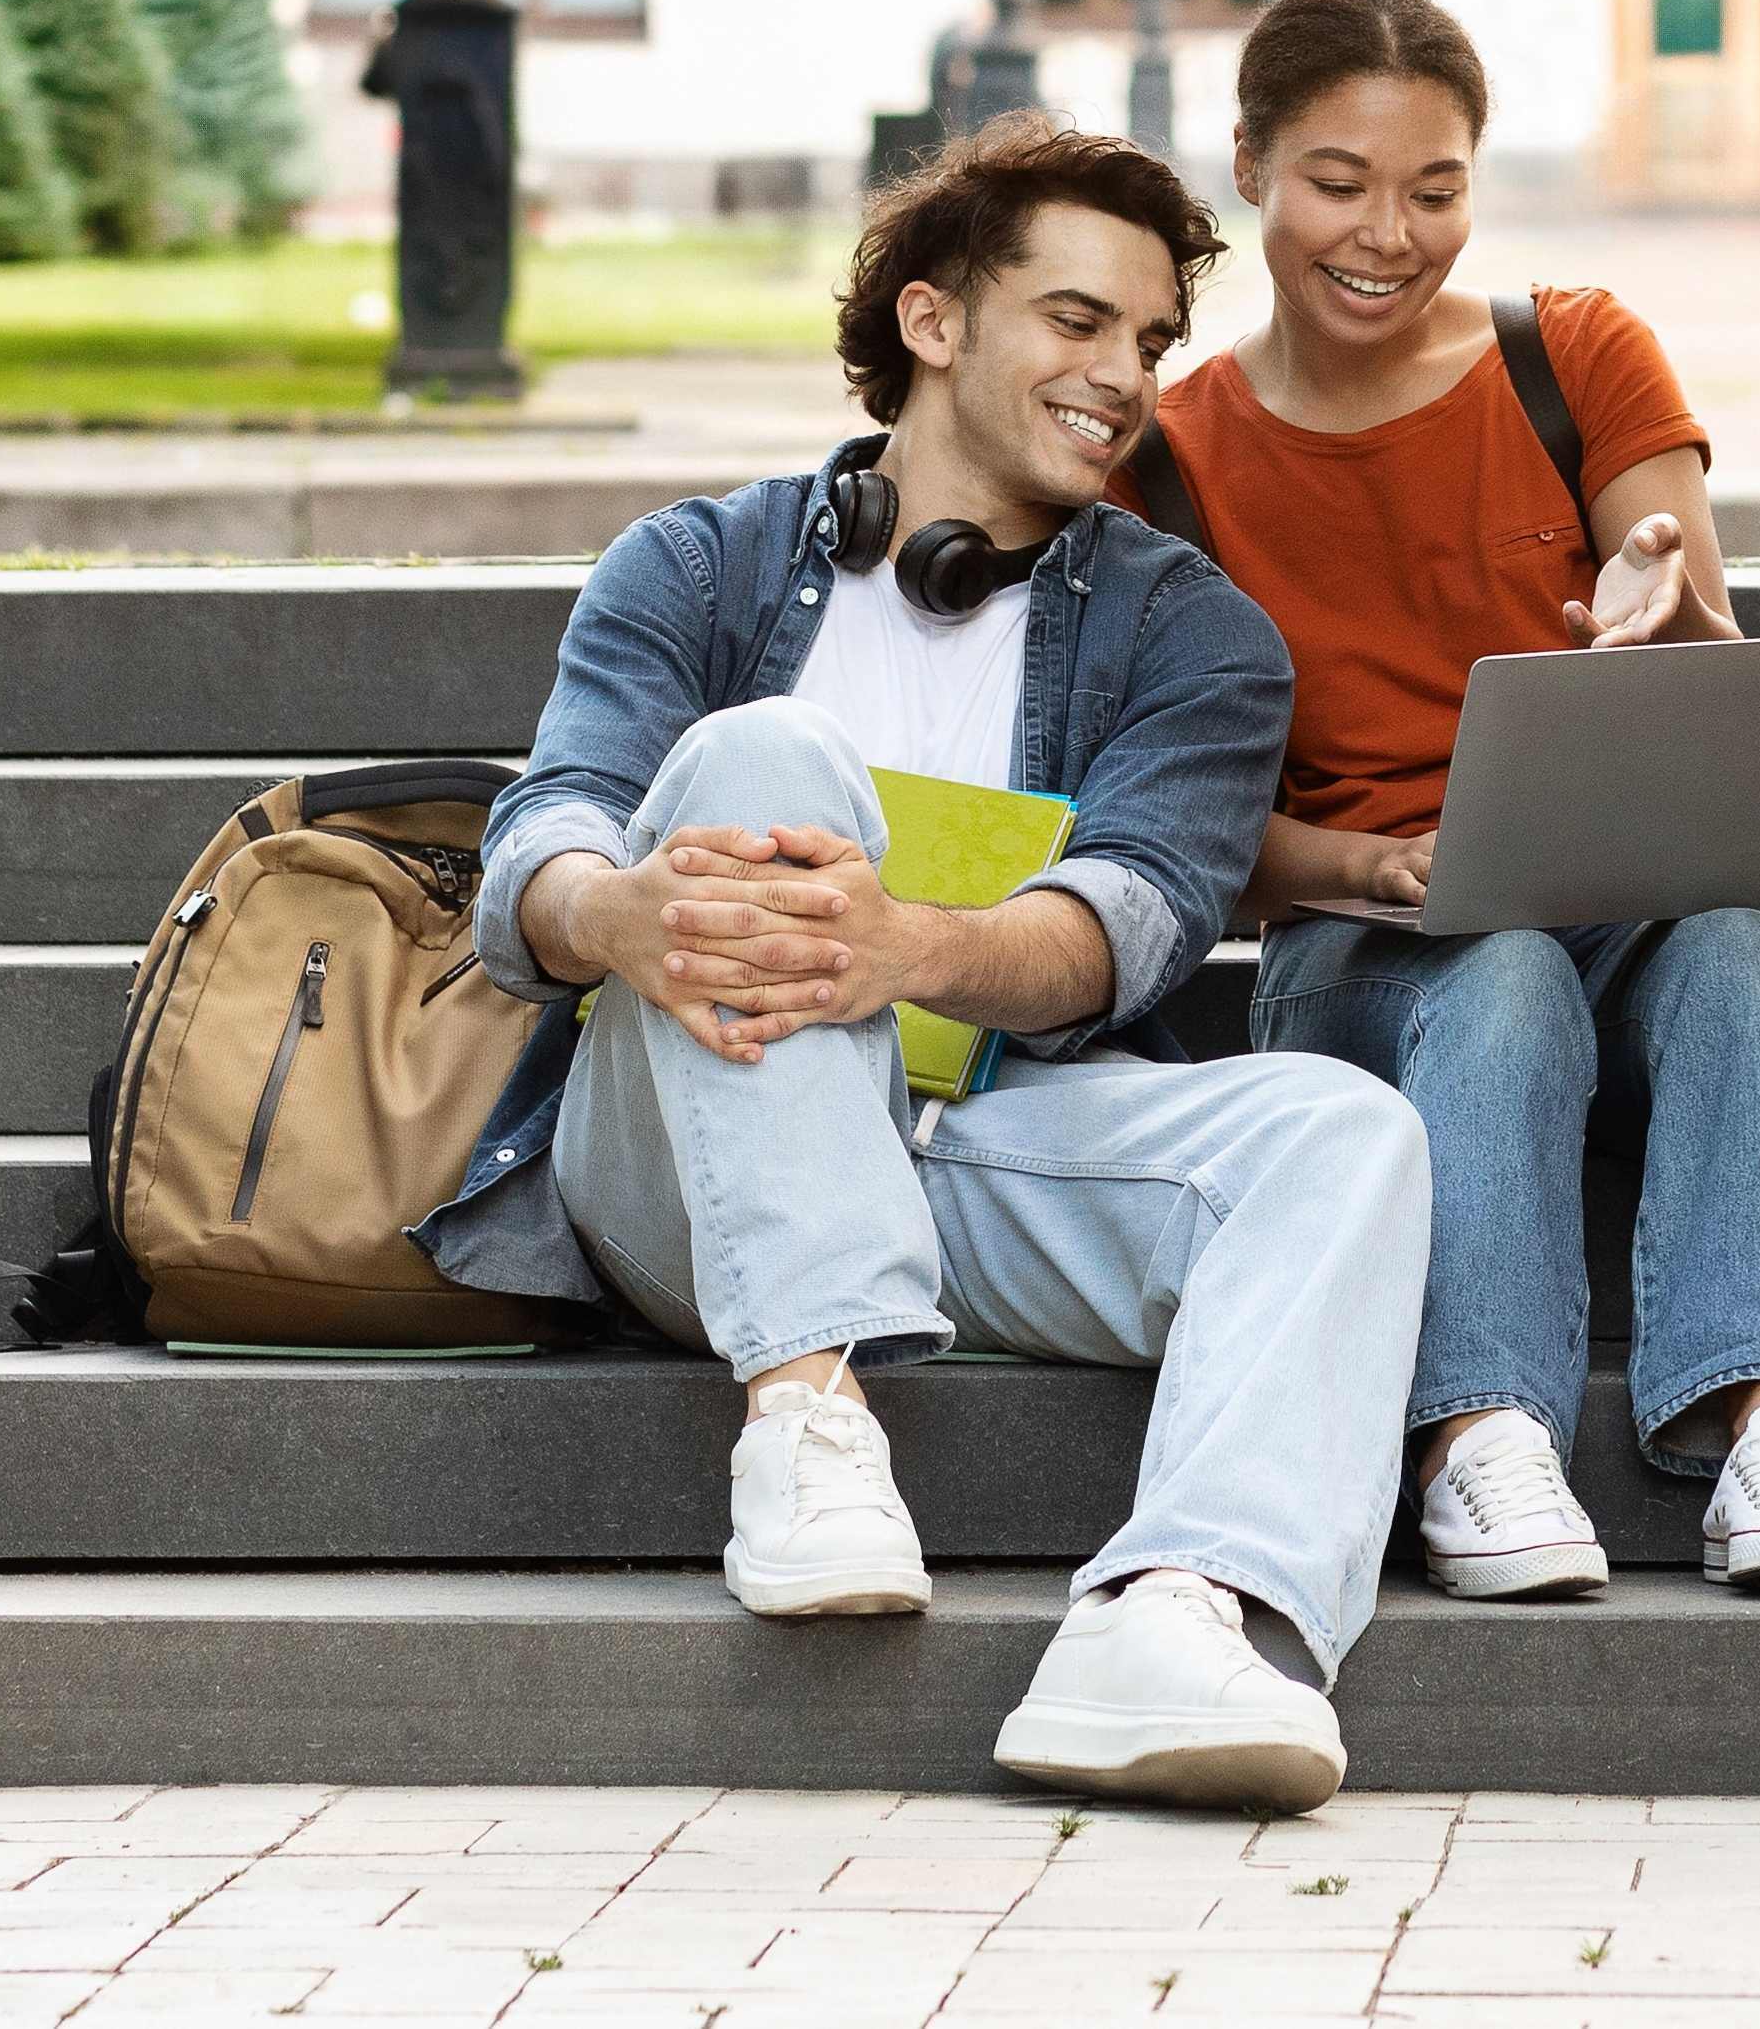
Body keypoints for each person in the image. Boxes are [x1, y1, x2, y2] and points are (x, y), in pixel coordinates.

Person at [430, 119, 1431, 1817]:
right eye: (1075, 320)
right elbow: (544, 841)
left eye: (1147, 341)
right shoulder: (701, 565)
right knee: (763, 761)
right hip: (679, 1159)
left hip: (973, 1149)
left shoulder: (1193, 635)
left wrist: (903, 947)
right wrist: (621, 916)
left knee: (1346, 1132)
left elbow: (1121, 931)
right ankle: (808, 1417)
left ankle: (1183, 1612)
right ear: (934, 320)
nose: (1122, 374)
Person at [1169, 0, 1760, 1608]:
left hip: (1620, 918)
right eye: (1340, 182)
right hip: (1369, 957)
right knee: (1489, 967)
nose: (1390, 234)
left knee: (1728, 948)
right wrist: (1367, 862)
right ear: (1254, 167)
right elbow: (1190, 828)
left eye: (1436, 191)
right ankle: (1477, 1433)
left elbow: (1715, 670)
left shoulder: (1574, 351)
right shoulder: (1178, 457)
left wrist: (1670, 607)